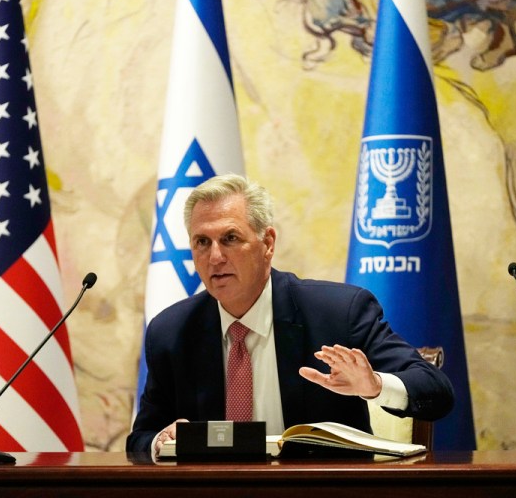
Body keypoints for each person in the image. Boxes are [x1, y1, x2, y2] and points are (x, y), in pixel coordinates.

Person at [126, 174, 454, 455]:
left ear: (267, 242)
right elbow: (139, 438)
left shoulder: (338, 314)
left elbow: (435, 391)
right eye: (201, 242)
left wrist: (375, 385)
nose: (215, 257)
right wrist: (161, 439)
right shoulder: (171, 332)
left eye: (230, 238)